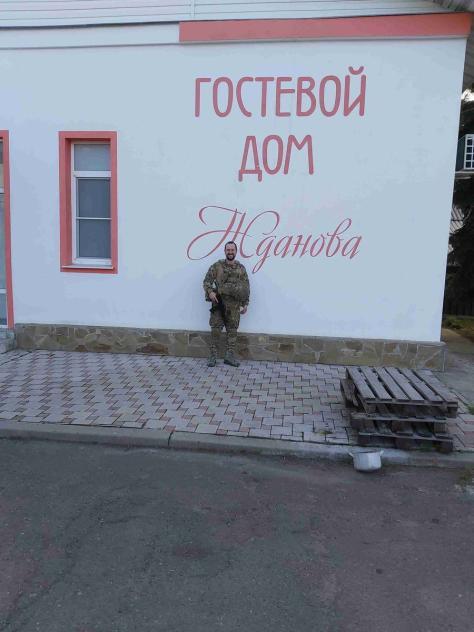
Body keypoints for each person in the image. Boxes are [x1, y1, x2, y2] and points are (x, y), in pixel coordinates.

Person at [203, 241, 250, 367]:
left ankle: (229, 357)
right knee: (216, 331)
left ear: (236, 251)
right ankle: (212, 356)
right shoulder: (217, 266)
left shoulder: (241, 268)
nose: (230, 252)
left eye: (232, 250)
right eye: (228, 250)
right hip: (219, 304)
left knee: (232, 331)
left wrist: (245, 303)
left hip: (234, 307)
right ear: (225, 251)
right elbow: (207, 281)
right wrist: (210, 292)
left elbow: (246, 287)